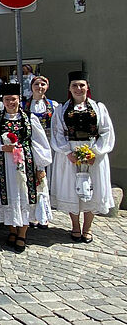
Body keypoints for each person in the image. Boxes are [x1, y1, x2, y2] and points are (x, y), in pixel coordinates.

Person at [0, 83, 52, 253]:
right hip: (4, 164)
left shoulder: (29, 118)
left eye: (13, 99)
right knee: (7, 195)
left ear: (19, 99)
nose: (10, 102)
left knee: (25, 196)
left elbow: (39, 142)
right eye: (7, 99)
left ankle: (22, 233)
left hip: (26, 164)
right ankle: (12, 230)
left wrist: (40, 166)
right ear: (3, 100)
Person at [51, 71, 115, 244]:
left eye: (81, 85)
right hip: (69, 154)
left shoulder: (99, 108)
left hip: (94, 153)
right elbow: (57, 132)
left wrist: (96, 152)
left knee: (93, 189)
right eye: (74, 85)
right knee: (72, 189)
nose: (78, 89)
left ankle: (87, 228)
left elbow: (106, 131)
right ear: (69, 88)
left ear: (87, 87)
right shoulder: (61, 109)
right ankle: (75, 227)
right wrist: (67, 153)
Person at [23, 75, 59, 229]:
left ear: (47, 86)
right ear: (31, 87)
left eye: (43, 84)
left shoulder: (54, 105)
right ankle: (31, 215)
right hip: (29, 146)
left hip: (47, 146)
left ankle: (44, 214)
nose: (39, 87)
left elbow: (58, 127)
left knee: (45, 181)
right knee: (30, 180)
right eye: (36, 84)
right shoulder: (24, 105)